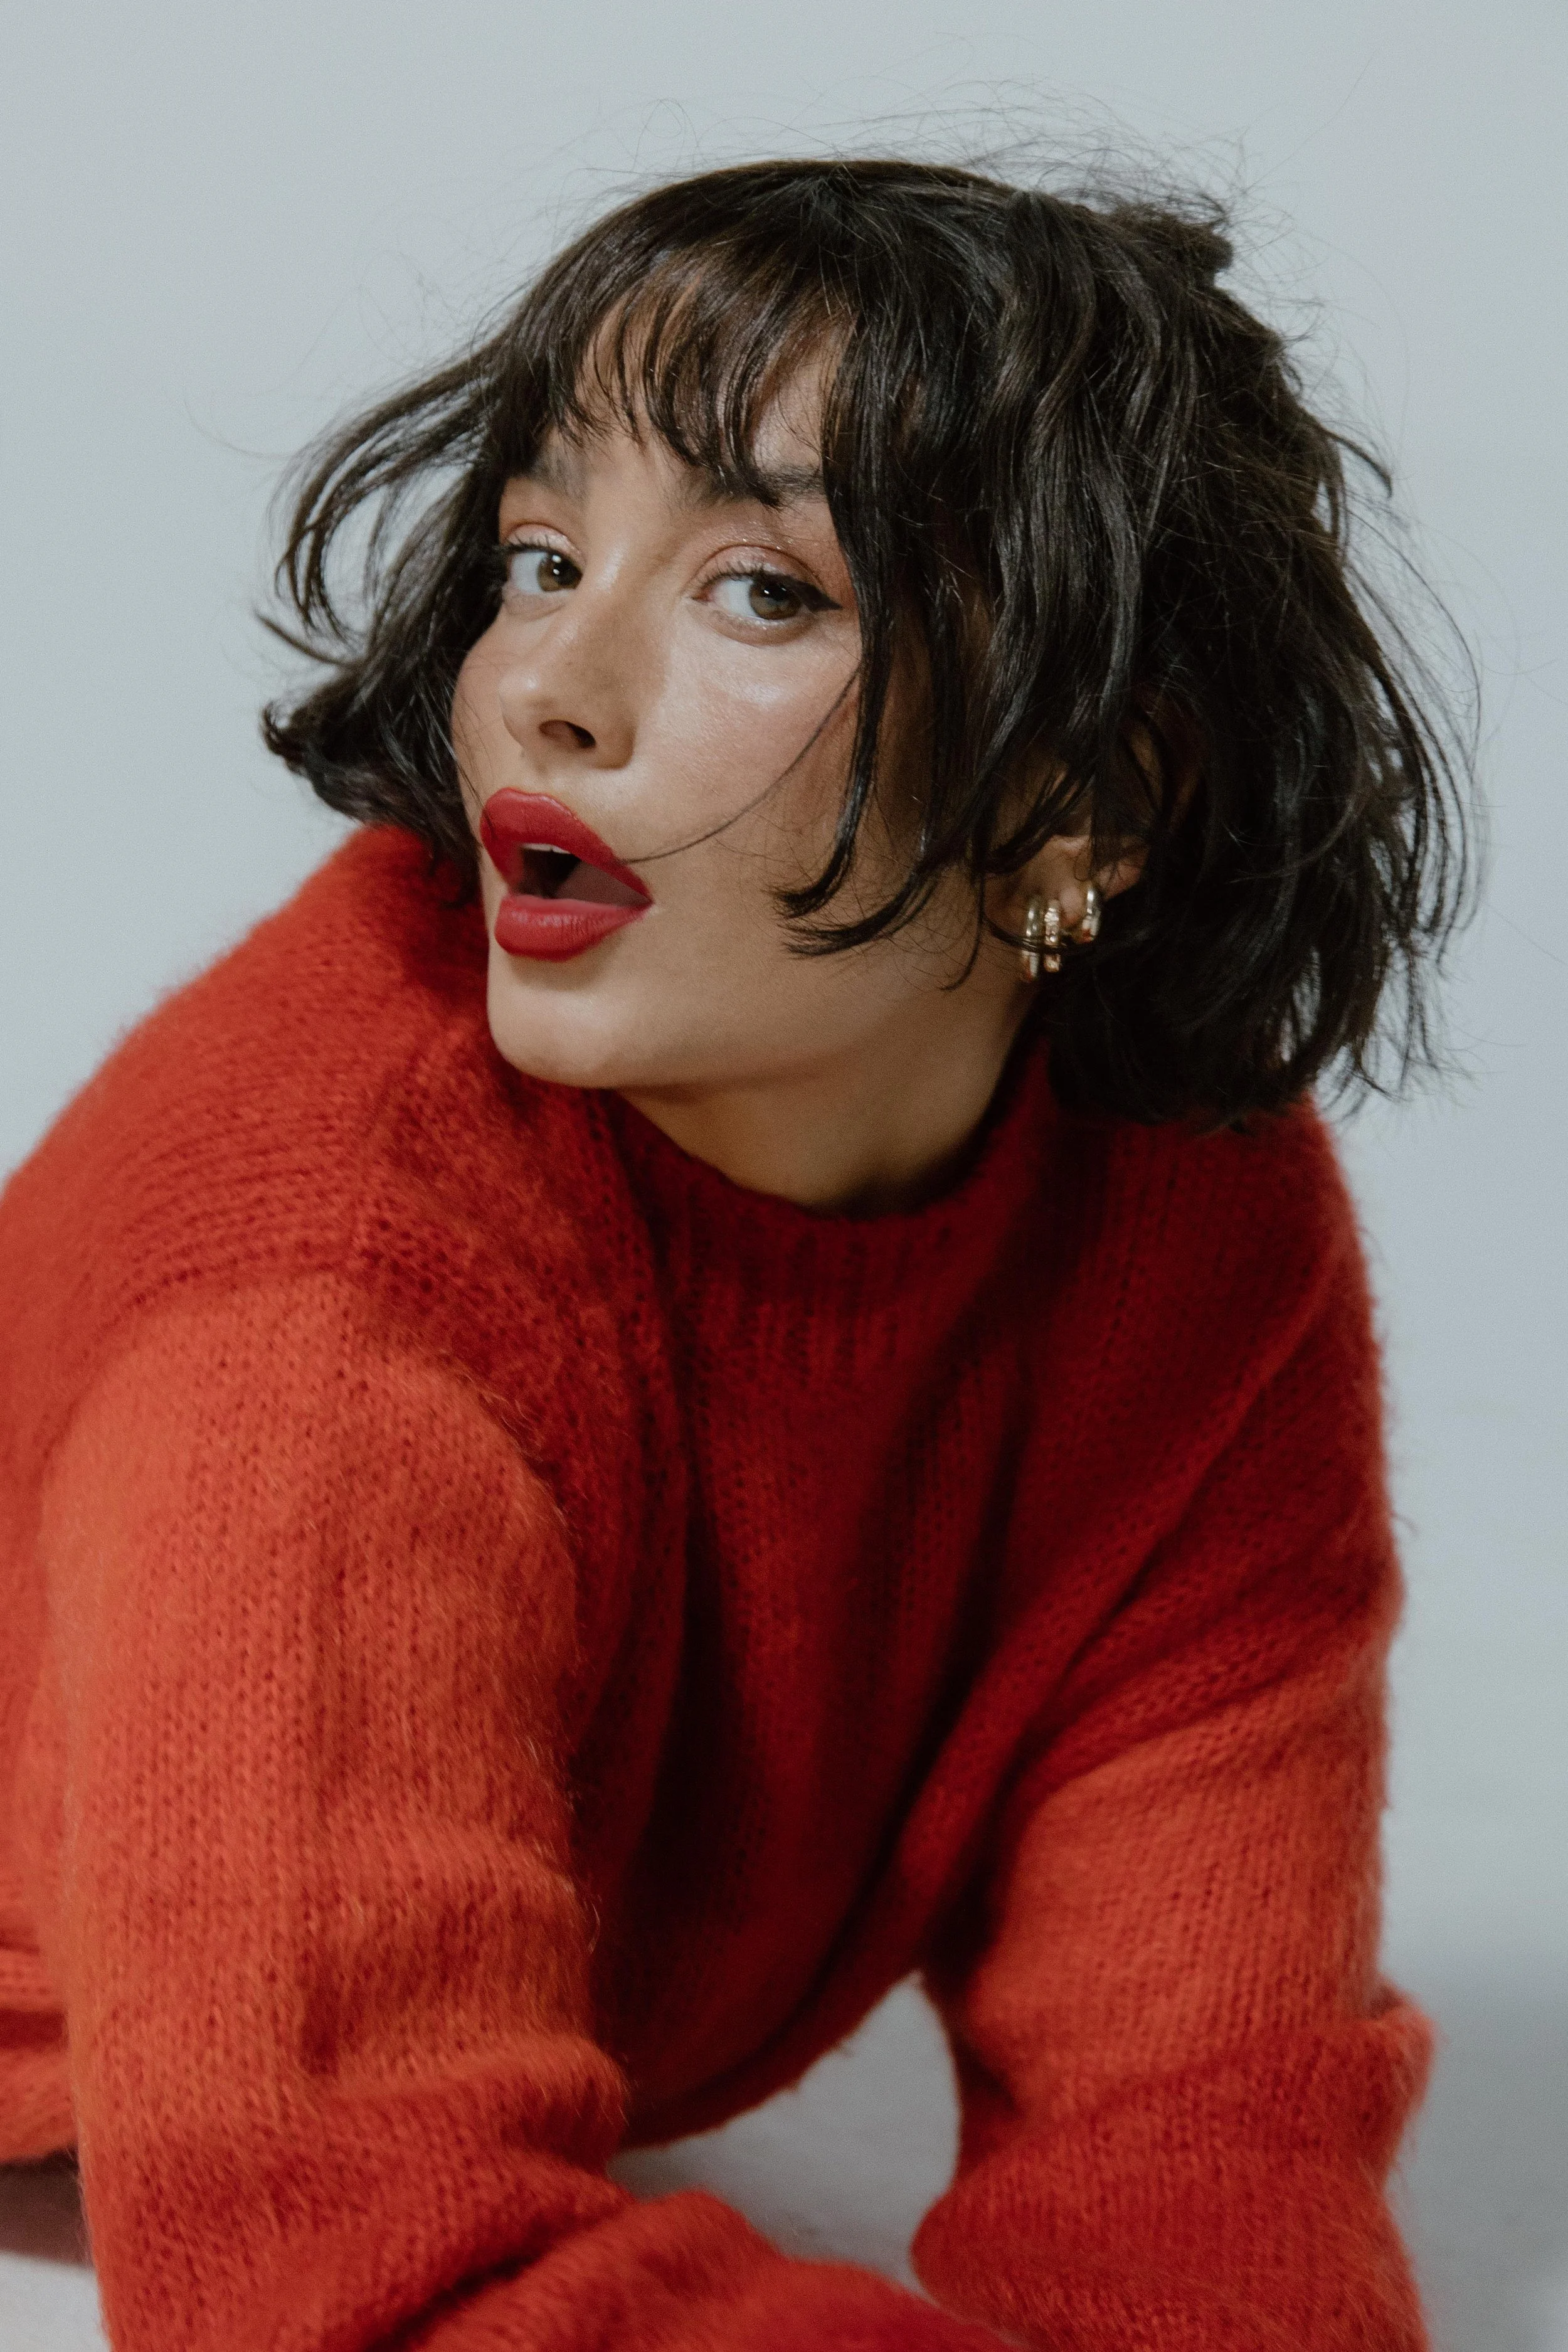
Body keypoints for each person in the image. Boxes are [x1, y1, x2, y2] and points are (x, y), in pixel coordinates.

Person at [0, 156, 1470, 2349]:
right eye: (538, 553)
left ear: (1085, 799)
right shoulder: (319, 1310)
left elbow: (1200, 2123)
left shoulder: (1190, 1233)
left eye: (762, 588)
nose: (546, 690)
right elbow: (363, 2280)